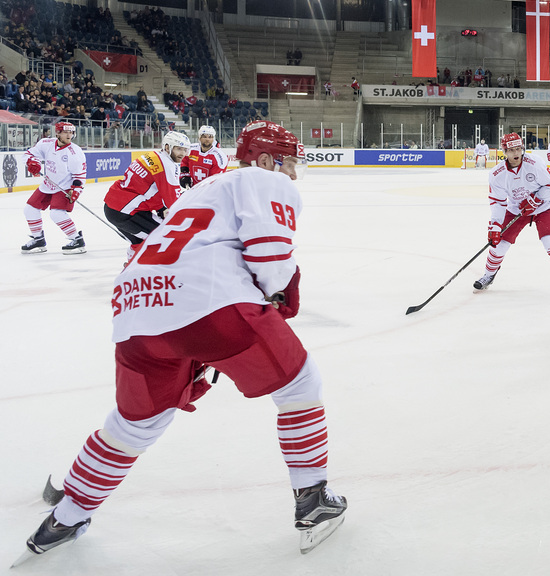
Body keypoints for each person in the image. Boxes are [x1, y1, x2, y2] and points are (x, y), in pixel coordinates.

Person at [19, 120, 346, 559]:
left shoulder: (198, 189)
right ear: (267, 159)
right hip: (208, 300)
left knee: (133, 424)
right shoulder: (263, 178)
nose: (291, 173)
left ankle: (66, 518)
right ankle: (313, 502)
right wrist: (277, 298)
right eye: (288, 163)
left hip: (135, 307)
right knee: (299, 385)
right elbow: (269, 254)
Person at [473, 132, 550, 296]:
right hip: (516, 209)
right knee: (499, 245)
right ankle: (488, 275)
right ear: (505, 152)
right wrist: (495, 225)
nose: (516, 153)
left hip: (544, 207)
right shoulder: (496, 174)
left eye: (518, 149)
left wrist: (535, 199)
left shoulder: (535, 163)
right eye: (511, 150)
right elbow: (498, 202)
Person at [104, 131, 190, 262]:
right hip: (126, 212)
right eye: (179, 149)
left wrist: (161, 208)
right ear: (167, 147)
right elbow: (173, 202)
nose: (182, 154)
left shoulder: (153, 155)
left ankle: (132, 268)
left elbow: (148, 188)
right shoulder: (166, 165)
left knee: (138, 240)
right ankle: (148, 269)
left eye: (185, 150)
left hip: (113, 207)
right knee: (164, 236)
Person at [20, 121, 87, 255]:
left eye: (71, 132)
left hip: (65, 186)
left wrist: (76, 190)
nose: (69, 135)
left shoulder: (75, 152)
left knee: (56, 213)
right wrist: (33, 162)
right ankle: (38, 239)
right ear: (58, 133)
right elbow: (29, 154)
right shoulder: (46, 143)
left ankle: (77, 239)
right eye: (66, 132)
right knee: (30, 209)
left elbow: (80, 175)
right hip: (48, 184)